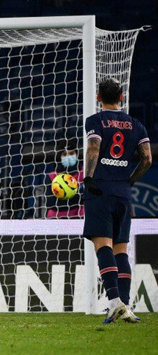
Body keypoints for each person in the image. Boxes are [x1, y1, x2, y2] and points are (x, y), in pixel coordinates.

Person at [83, 77, 152, 324]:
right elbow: (147, 159)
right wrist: (130, 180)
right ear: (121, 98)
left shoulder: (95, 121)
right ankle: (126, 306)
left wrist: (88, 177)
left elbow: (94, 147)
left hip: (100, 189)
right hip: (123, 193)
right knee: (121, 251)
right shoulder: (136, 125)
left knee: (103, 247)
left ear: (99, 97)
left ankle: (114, 303)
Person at [47, 147, 84, 218]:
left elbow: (84, 198)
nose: (68, 156)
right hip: (56, 216)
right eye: (64, 154)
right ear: (60, 156)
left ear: (76, 154)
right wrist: (74, 196)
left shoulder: (84, 174)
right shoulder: (52, 176)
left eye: (71, 153)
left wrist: (62, 195)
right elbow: (50, 202)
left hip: (78, 215)